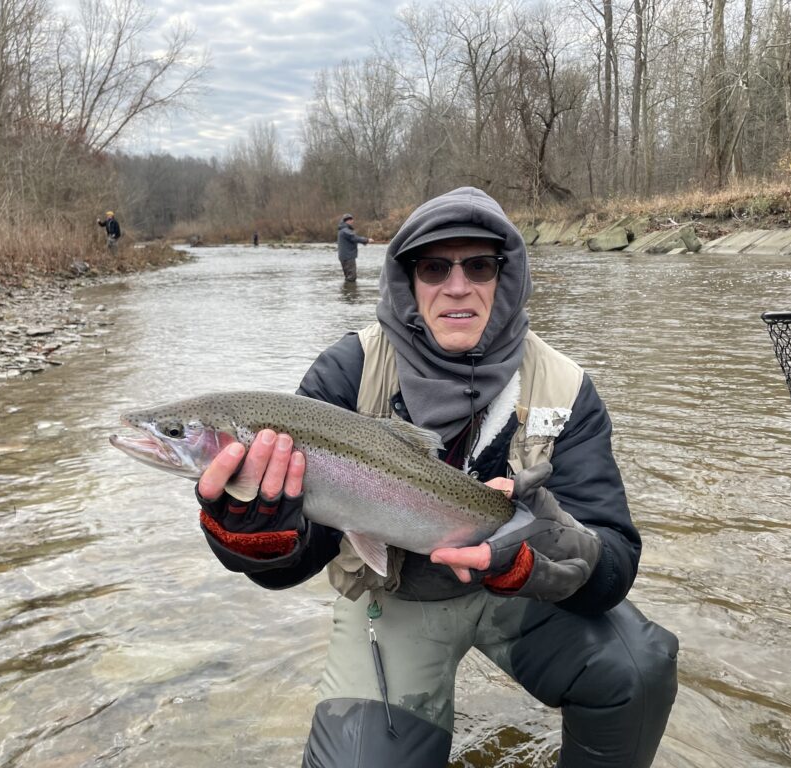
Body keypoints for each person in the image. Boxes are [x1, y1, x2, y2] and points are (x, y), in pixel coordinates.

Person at [196, 187, 679, 767]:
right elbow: (297, 557)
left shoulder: (566, 388)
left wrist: (533, 544)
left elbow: (614, 567)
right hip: (390, 596)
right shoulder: (350, 372)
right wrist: (254, 532)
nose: (457, 286)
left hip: (517, 593)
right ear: (409, 281)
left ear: (506, 278)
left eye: (479, 266)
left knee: (637, 671)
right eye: (434, 267)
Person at [336, 213, 371, 282]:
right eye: (351, 220)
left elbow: (353, 239)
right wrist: (366, 240)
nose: (352, 221)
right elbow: (354, 238)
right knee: (352, 277)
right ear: (347, 221)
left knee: (348, 277)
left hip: (344, 257)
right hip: (348, 257)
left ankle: (346, 291)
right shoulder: (345, 230)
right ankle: (351, 292)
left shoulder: (342, 230)